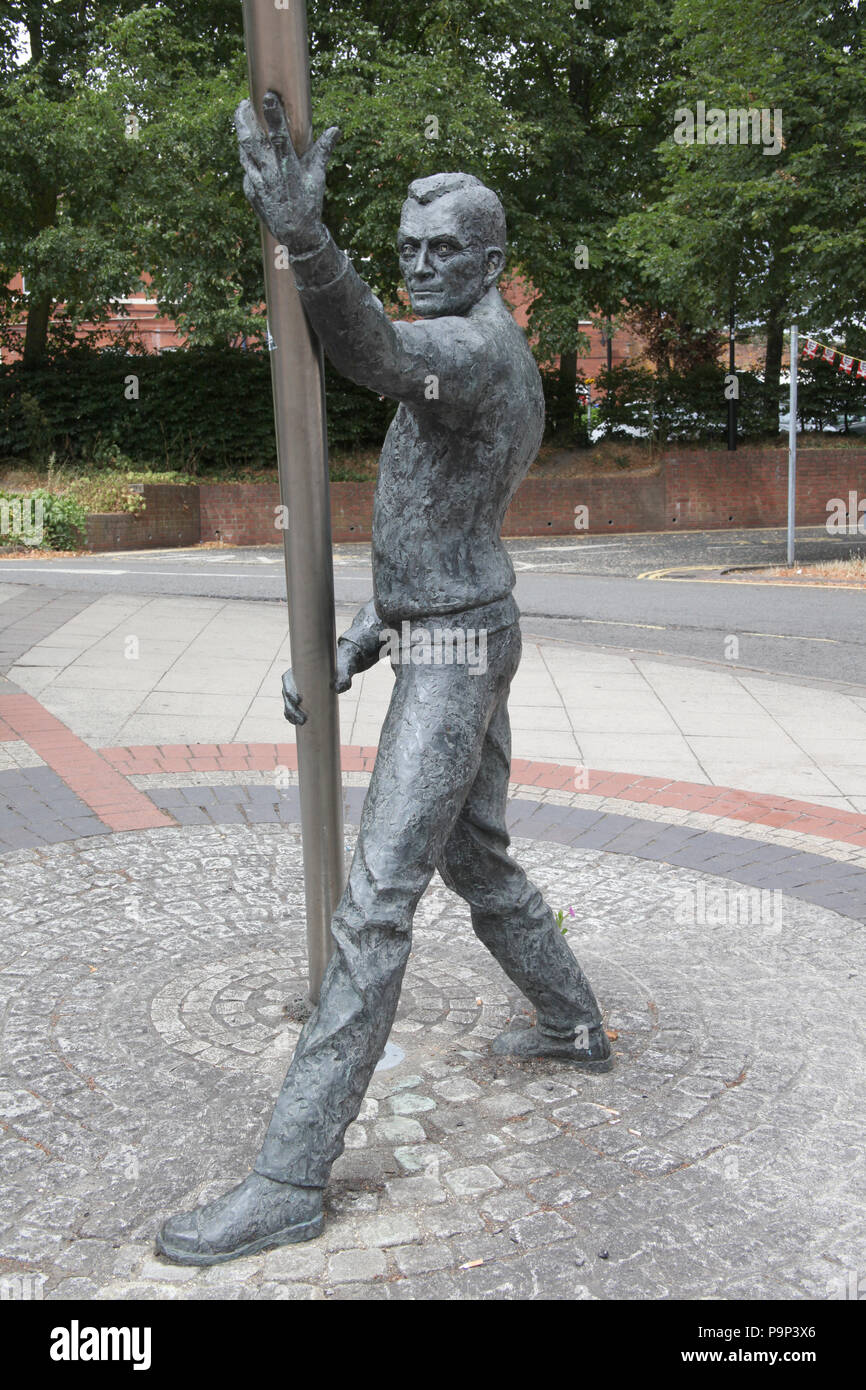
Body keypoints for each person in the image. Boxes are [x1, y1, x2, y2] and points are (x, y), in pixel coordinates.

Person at [156, 93, 609, 1267]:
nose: (418, 266)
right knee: (480, 857)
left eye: (441, 249)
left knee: (373, 904)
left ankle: (287, 1176)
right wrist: (366, 633)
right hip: (457, 622)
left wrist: (307, 242)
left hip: (457, 656)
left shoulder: (468, 349)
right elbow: (433, 521)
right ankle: (571, 1019)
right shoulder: (462, 347)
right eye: (405, 249)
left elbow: (372, 350)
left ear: (492, 261)